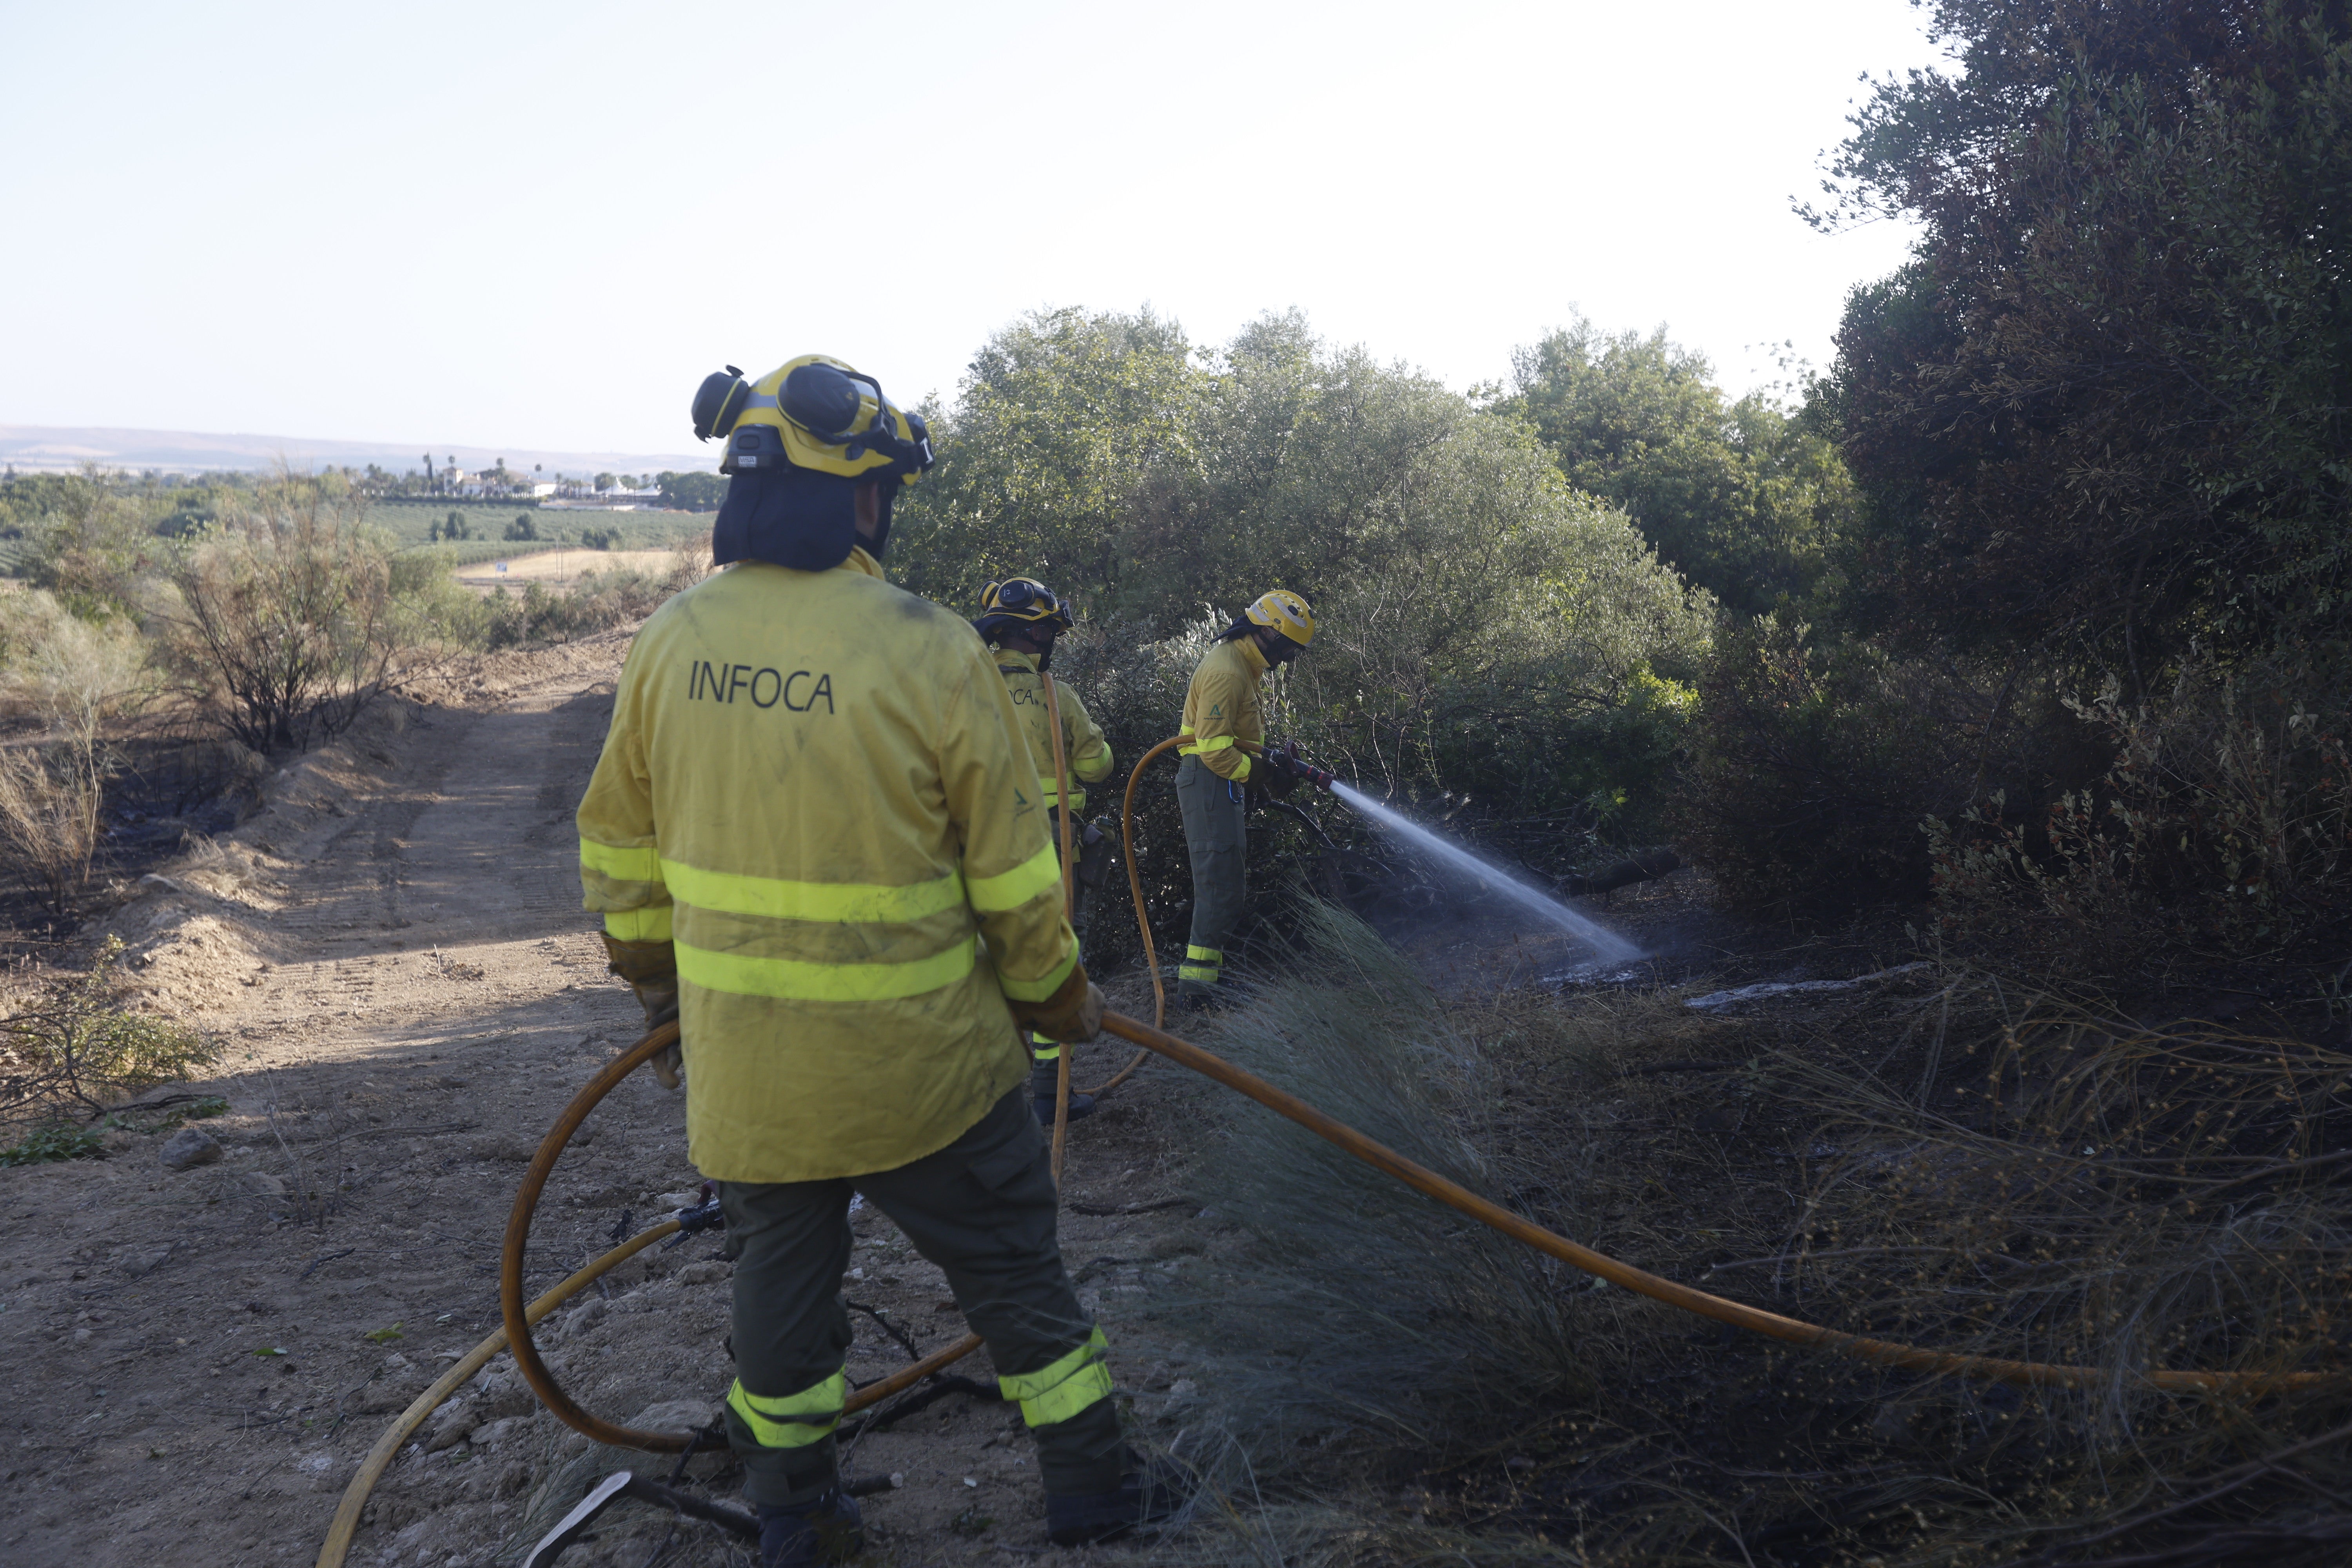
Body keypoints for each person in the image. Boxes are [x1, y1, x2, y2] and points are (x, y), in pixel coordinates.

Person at [580, 354, 1177, 1564]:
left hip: (752, 1077)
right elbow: (1014, 879)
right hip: (927, 1075)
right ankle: (1091, 1489)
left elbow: (616, 855)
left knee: (779, 1299)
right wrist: (1061, 1001)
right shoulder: (925, 646)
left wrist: (662, 1000)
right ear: (860, 497)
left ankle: (796, 1519)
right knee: (1012, 1272)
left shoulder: (670, 642)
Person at [972, 575, 1117, 1123]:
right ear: (1037, 639)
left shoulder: (967, 687)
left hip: (979, 844)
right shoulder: (1058, 697)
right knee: (1053, 957)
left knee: (987, 956)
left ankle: (992, 1092)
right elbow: (1095, 768)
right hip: (1049, 845)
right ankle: (1049, 1095)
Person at [1172, 590, 1316, 1009]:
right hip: (1209, 780)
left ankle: (1207, 981)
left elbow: (1234, 741)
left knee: (1227, 885)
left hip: (1220, 782)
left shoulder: (1243, 667)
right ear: (1267, 633)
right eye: (1287, 646)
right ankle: (1196, 995)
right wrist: (1260, 774)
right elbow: (1215, 749)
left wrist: (1265, 767)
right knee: (1219, 887)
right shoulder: (1227, 670)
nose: (1288, 656)